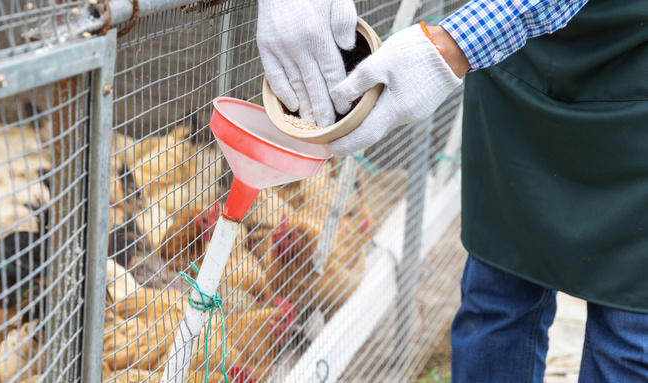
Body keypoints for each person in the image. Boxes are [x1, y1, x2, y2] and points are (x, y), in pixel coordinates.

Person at [258, 0, 648, 381]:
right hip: (514, 63)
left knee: (630, 334)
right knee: (496, 301)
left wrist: (449, 46)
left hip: (632, 69)